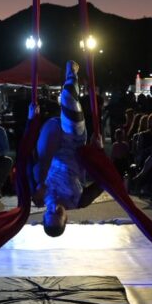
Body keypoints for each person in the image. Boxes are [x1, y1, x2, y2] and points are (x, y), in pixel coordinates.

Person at [34, 61, 104, 238]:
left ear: (43, 215)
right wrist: (98, 151)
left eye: (51, 213)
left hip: (51, 146)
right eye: (59, 214)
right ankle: (72, 74)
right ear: (67, 218)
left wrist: (30, 120)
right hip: (74, 142)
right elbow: (104, 180)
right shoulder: (80, 200)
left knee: (40, 169)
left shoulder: (38, 197)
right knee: (67, 98)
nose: (56, 209)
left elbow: (28, 163)